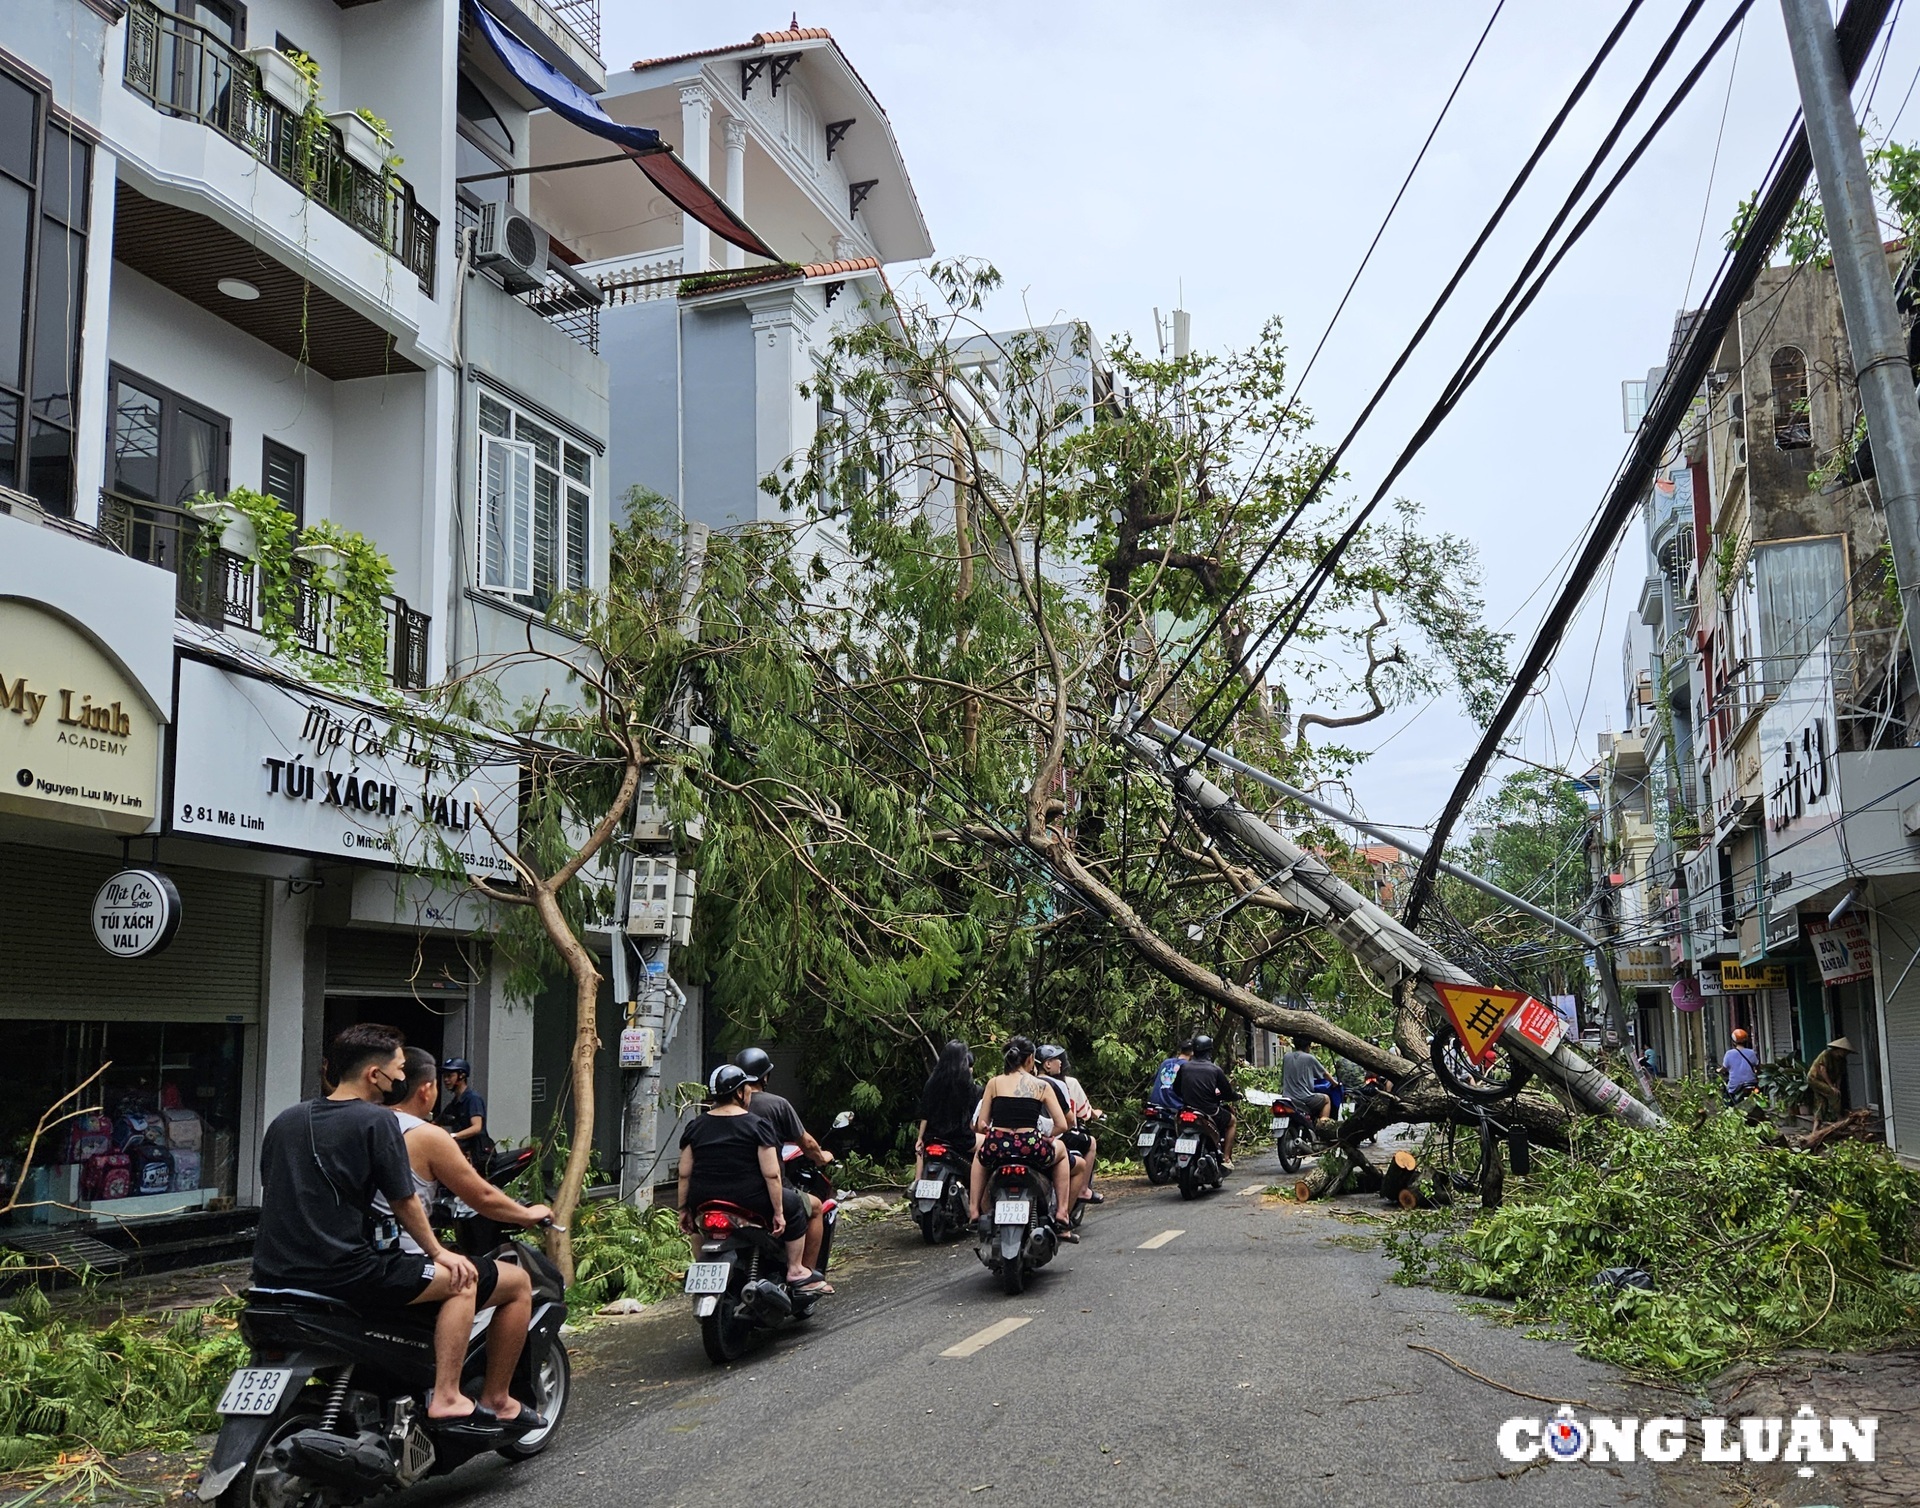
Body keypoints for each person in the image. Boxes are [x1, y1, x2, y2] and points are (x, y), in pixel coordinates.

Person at [252, 1024, 488, 1431]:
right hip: (346, 1275)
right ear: (373, 1075)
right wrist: (439, 1253)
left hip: (270, 1279)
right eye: (398, 1068)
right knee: (462, 1280)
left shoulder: (285, 1119)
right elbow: (404, 1200)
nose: (402, 1077)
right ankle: (448, 1396)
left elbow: (271, 1187)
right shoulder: (377, 1122)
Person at [375, 1049, 551, 1433]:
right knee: (514, 1282)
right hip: (401, 1261)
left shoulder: (362, 1125)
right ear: (426, 1089)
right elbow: (483, 1198)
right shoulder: (426, 1135)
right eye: (441, 1080)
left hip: (354, 1255)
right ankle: (493, 1399)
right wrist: (528, 1214)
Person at [677, 1064, 819, 1293]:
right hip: (750, 1200)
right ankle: (795, 1269)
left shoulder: (696, 1126)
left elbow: (684, 1173)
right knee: (795, 1206)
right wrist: (779, 1212)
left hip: (703, 1200)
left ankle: (700, 1267)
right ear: (740, 1092)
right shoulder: (757, 1125)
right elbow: (772, 1174)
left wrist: (684, 1209)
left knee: (697, 1228)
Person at [734, 1048, 832, 1280]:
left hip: (725, 1189)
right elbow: (806, 1143)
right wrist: (822, 1157)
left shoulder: (719, 1112)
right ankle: (803, 1274)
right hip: (763, 1191)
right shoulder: (776, 1105)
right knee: (815, 1207)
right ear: (765, 1077)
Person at [969, 1037, 1076, 1241]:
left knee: (980, 1156)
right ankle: (1062, 1211)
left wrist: (990, 1129)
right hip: (1030, 1146)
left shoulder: (994, 1083)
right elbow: (1062, 1124)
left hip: (998, 1146)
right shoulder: (1040, 1086)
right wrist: (1047, 1137)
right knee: (1062, 1151)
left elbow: (980, 1124)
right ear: (1030, 1060)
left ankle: (974, 1210)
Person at [1041, 1045, 1103, 1206]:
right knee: (1090, 1143)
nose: (1060, 1064)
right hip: (1054, 1137)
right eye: (1057, 1060)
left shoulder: (1020, 1083)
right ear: (1048, 1064)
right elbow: (1072, 1119)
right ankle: (1082, 1191)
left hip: (1023, 1137)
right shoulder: (1062, 1084)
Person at [1172, 1035, 1239, 1172]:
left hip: (1188, 1110)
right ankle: (1226, 1158)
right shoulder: (1215, 1070)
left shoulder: (1184, 1068)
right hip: (1209, 1111)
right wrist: (1235, 1096)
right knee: (1232, 1121)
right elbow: (1226, 1093)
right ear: (1209, 1051)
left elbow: (1176, 1089)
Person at [915, 1040, 980, 1180]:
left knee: (920, 1150)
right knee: (987, 1148)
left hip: (933, 1136)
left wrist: (920, 1138)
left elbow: (924, 1114)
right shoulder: (967, 1085)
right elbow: (972, 1118)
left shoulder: (931, 1083)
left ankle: (916, 1184)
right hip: (960, 1138)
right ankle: (978, 1197)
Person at [438, 1058, 491, 1169]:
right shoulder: (455, 1102)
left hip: (476, 1155)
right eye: (444, 1076)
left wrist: (454, 1136)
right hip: (462, 1152)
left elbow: (476, 1127)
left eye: (450, 1076)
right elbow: (438, 1121)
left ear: (461, 1076)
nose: (446, 1080)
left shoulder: (472, 1099)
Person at [1280, 1036, 1333, 1128]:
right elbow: (1325, 1074)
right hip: (1304, 1098)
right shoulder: (1309, 1058)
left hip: (1287, 1098)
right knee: (1327, 1099)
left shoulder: (1286, 1057)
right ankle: (1322, 1127)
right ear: (1308, 1046)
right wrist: (1335, 1083)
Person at [1807, 1036, 1853, 1130]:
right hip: (1815, 1079)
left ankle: (1816, 1128)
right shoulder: (1826, 1054)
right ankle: (1839, 1118)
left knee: (1821, 1102)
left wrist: (1837, 1086)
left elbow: (1839, 1074)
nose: (1846, 1054)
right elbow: (1822, 1070)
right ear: (1839, 1050)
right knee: (1833, 1094)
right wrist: (1831, 1086)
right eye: (1845, 1051)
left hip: (1827, 1081)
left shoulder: (1842, 1060)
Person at [1719, 1028, 1760, 1103]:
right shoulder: (1751, 1053)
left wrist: (1718, 1070)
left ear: (1733, 1042)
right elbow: (1757, 1067)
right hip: (1752, 1083)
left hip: (1736, 1086)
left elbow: (1724, 1068)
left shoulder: (1729, 1054)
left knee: (1727, 1098)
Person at [1149, 1040, 1191, 1112]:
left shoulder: (1166, 1062)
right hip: (1173, 1106)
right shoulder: (1188, 1067)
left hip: (1155, 1104)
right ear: (1192, 1053)